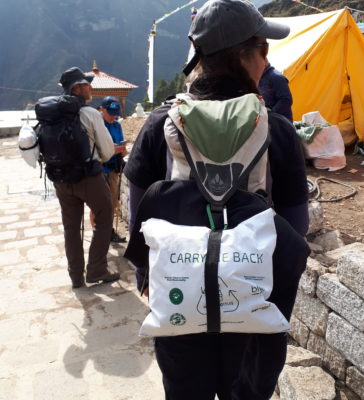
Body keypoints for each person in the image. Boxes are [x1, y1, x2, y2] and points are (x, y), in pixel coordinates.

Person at [124, 1, 309, 398]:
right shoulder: (275, 129)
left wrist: (147, 279)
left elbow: (138, 214)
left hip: (179, 297)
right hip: (254, 300)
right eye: (264, 48)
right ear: (246, 55)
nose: (266, 60)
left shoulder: (161, 125)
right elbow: (295, 227)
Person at [56, 67, 120, 288]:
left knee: (71, 228)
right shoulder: (90, 114)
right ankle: (96, 269)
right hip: (88, 178)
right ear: (77, 88)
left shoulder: (52, 114)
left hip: (61, 180)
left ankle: (76, 276)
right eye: (86, 84)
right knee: (104, 216)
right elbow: (108, 151)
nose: (90, 87)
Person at [90, 96, 128, 243]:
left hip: (113, 169)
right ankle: (97, 231)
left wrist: (122, 150)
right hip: (99, 170)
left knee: (112, 203)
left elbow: (119, 144)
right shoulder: (96, 125)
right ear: (102, 109)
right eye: (111, 113)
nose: (114, 116)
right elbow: (94, 149)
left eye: (116, 113)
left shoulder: (117, 125)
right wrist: (112, 149)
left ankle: (109, 231)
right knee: (98, 204)